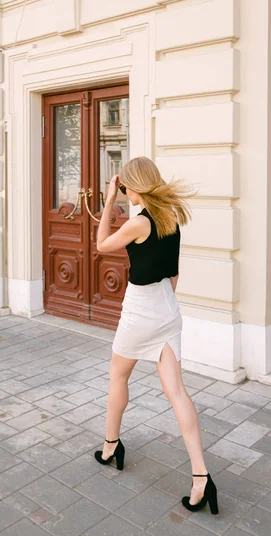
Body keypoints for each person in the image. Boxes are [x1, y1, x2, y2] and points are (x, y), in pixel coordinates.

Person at [94, 156, 218, 515]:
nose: (124, 191)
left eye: (125, 187)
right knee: (176, 391)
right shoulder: (170, 218)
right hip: (167, 307)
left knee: (118, 375)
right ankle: (200, 478)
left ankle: (110, 446)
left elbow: (102, 245)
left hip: (141, 309)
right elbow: (174, 275)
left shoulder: (138, 222)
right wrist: (162, 307)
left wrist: (107, 203)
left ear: (136, 186)